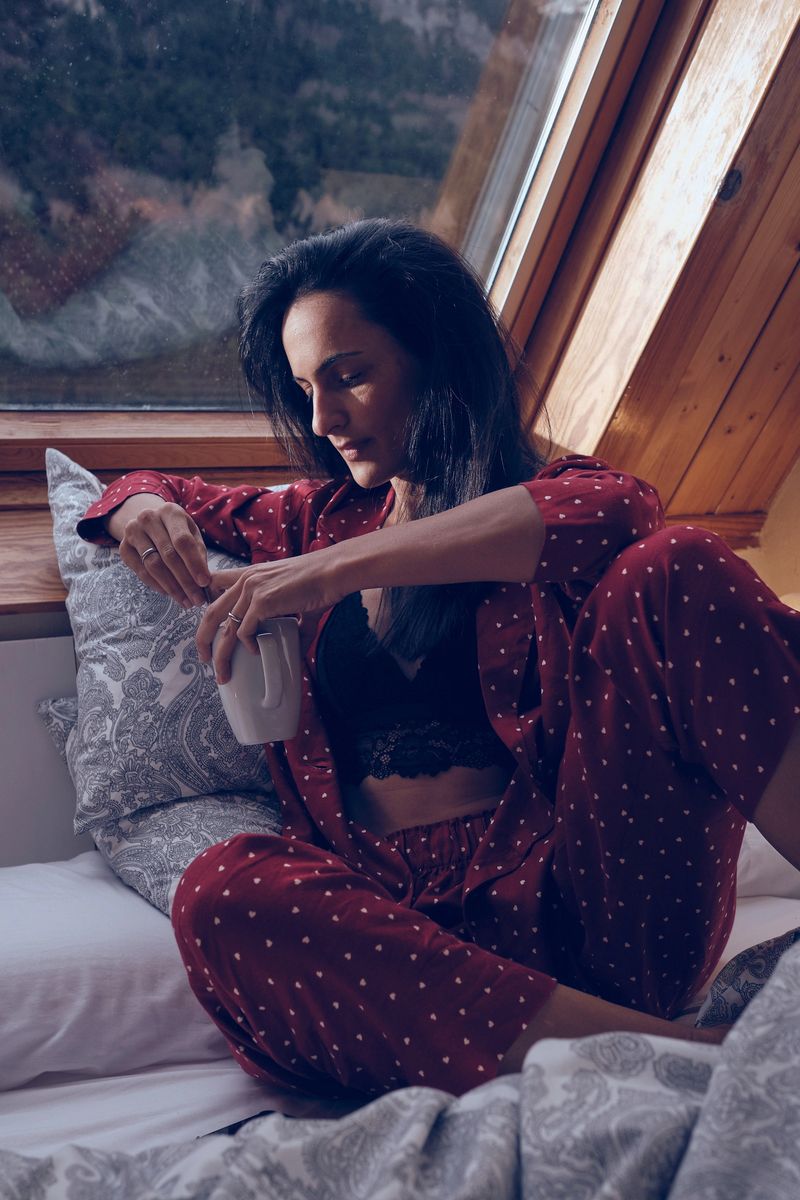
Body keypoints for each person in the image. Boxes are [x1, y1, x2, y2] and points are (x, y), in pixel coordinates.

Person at [78, 218, 800, 1101]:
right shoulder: (314, 516)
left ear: (436, 356)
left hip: (587, 903)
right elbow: (145, 490)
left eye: (348, 376)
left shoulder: (548, 502)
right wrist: (136, 506)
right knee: (222, 888)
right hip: (396, 942)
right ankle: (681, 1056)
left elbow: (621, 516)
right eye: (305, 387)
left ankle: (609, 1037)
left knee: (676, 566)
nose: (322, 418)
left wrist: (322, 575)